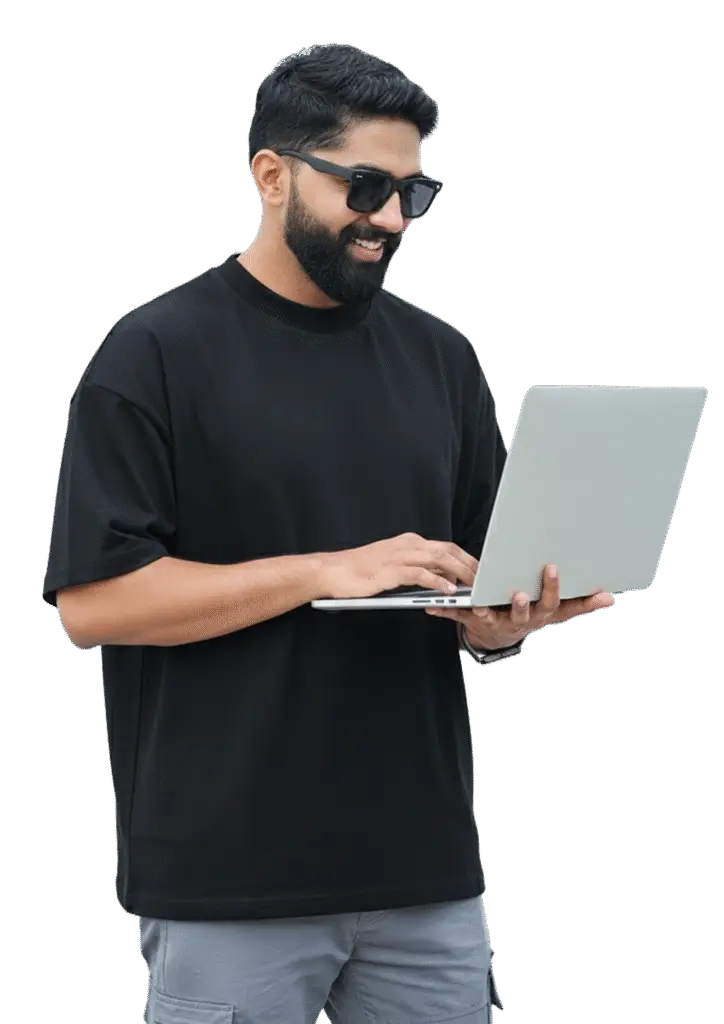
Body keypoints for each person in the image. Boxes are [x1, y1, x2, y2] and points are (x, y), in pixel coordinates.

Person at [42, 42, 614, 1024]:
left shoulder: (441, 358)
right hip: (228, 880)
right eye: (365, 187)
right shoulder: (153, 354)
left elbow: (472, 585)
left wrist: (502, 622)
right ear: (272, 176)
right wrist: (324, 571)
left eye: (411, 193)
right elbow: (96, 603)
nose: (391, 218)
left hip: (425, 872)